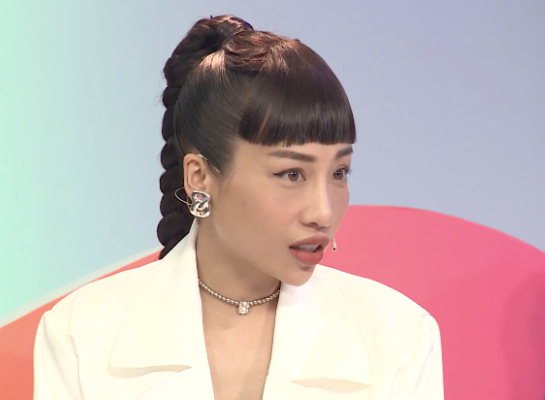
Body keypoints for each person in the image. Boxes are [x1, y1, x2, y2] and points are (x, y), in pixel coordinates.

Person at [33, 14, 444, 400]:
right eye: (292, 174)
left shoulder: (400, 339)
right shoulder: (80, 333)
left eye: (339, 173)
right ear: (199, 177)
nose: (323, 212)